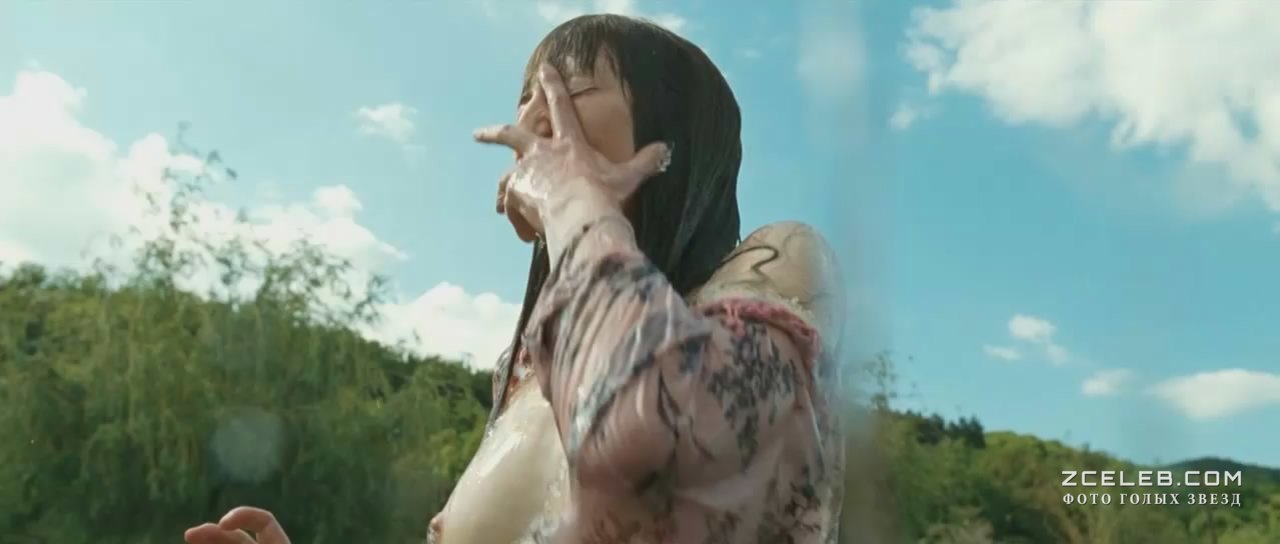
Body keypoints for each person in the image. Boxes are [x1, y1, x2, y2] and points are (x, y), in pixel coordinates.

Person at [184, 13, 844, 544]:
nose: (529, 120)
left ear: (677, 136)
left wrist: (569, 193)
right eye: (525, 96)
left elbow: (655, 450)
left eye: (572, 90)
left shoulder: (780, 263)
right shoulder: (525, 375)